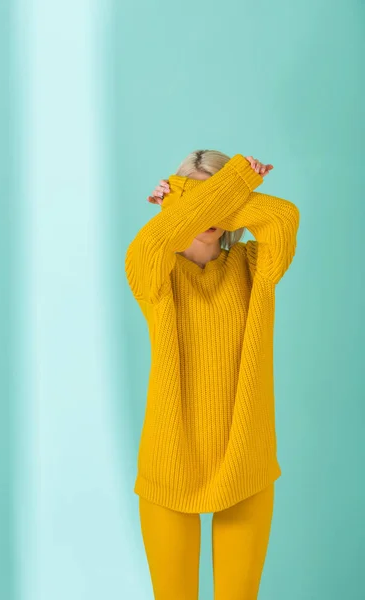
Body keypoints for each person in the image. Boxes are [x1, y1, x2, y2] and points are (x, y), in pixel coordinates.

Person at [124, 150, 300, 599]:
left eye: (220, 198)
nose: (211, 213)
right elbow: (156, 242)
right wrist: (190, 207)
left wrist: (190, 200)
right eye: (199, 197)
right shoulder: (153, 268)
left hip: (245, 461)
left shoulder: (253, 266)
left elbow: (282, 215)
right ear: (176, 201)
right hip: (170, 462)